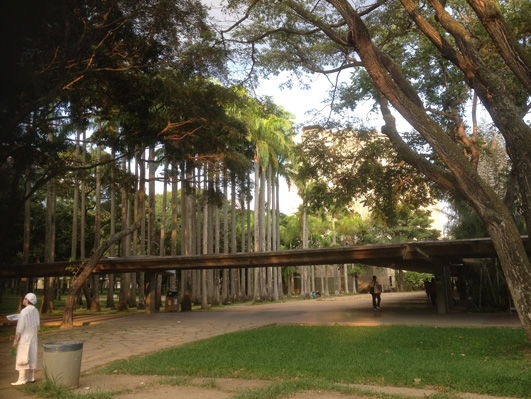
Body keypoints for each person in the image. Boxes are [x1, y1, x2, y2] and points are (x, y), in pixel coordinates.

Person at [12, 293, 40, 385]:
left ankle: (21, 378)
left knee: (22, 355)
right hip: (33, 336)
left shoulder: (24, 311)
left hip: (25, 336)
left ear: (27, 300)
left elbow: (20, 327)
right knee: (32, 354)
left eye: (24, 298)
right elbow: (37, 325)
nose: (23, 300)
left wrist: (16, 339)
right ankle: (31, 377)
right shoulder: (35, 310)